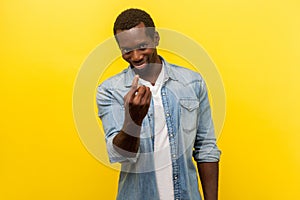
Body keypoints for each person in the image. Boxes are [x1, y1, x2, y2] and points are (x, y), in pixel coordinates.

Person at [97, 8, 221, 200]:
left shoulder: (192, 83)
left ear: (155, 39)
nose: (136, 56)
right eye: (127, 50)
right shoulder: (110, 91)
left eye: (142, 46)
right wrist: (133, 120)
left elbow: (206, 148)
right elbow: (120, 155)